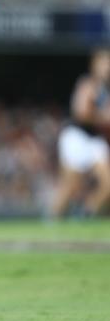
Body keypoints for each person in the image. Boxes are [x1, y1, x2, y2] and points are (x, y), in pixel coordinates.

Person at [52, 49, 110, 218]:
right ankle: (52, 220)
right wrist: (103, 118)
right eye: (104, 63)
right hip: (76, 136)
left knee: (108, 183)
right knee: (70, 186)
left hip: (94, 139)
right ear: (95, 66)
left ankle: (84, 215)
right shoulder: (88, 85)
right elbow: (80, 113)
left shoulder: (106, 89)